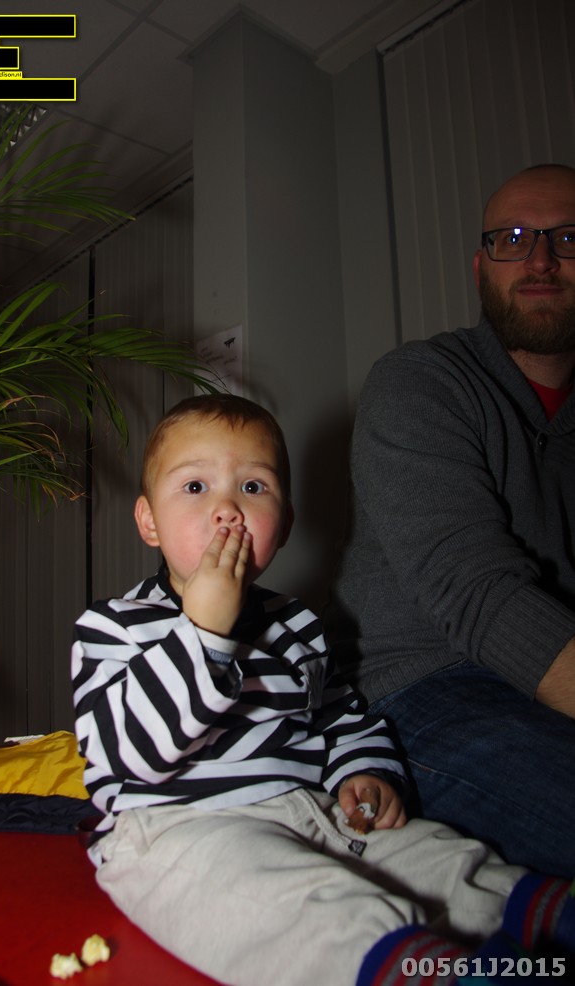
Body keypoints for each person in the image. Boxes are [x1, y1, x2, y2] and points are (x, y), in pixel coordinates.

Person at [72, 394, 574, 986]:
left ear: (284, 525)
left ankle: (545, 921)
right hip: (180, 828)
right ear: (149, 521)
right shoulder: (115, 626)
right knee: (300, 905)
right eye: (195, 487)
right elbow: (126, 756)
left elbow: (339, 719)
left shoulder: (295, 626)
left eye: (253, 487)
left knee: (438, 858)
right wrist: (204, 633)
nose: (228, 509)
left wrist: (364, 771)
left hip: (312, 813)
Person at [332, 164, 575, 878]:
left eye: (568, 238)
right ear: (479, 267)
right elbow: (476, 592)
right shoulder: (418, 382)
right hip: (420, 687)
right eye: (512, 239)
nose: (539, 259)